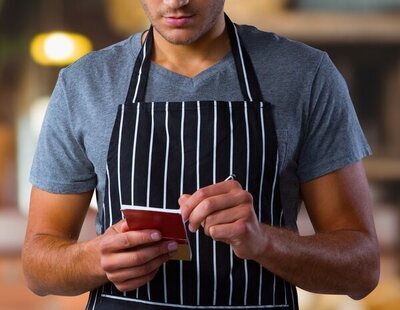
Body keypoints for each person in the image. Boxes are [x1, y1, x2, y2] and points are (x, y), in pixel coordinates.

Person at [22, 0, 380, 309]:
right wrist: (94, 259)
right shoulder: (84, 84)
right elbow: (37, 268)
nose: (176, 2)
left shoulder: (307, 76)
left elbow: (361, 270)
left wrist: (263, 242)